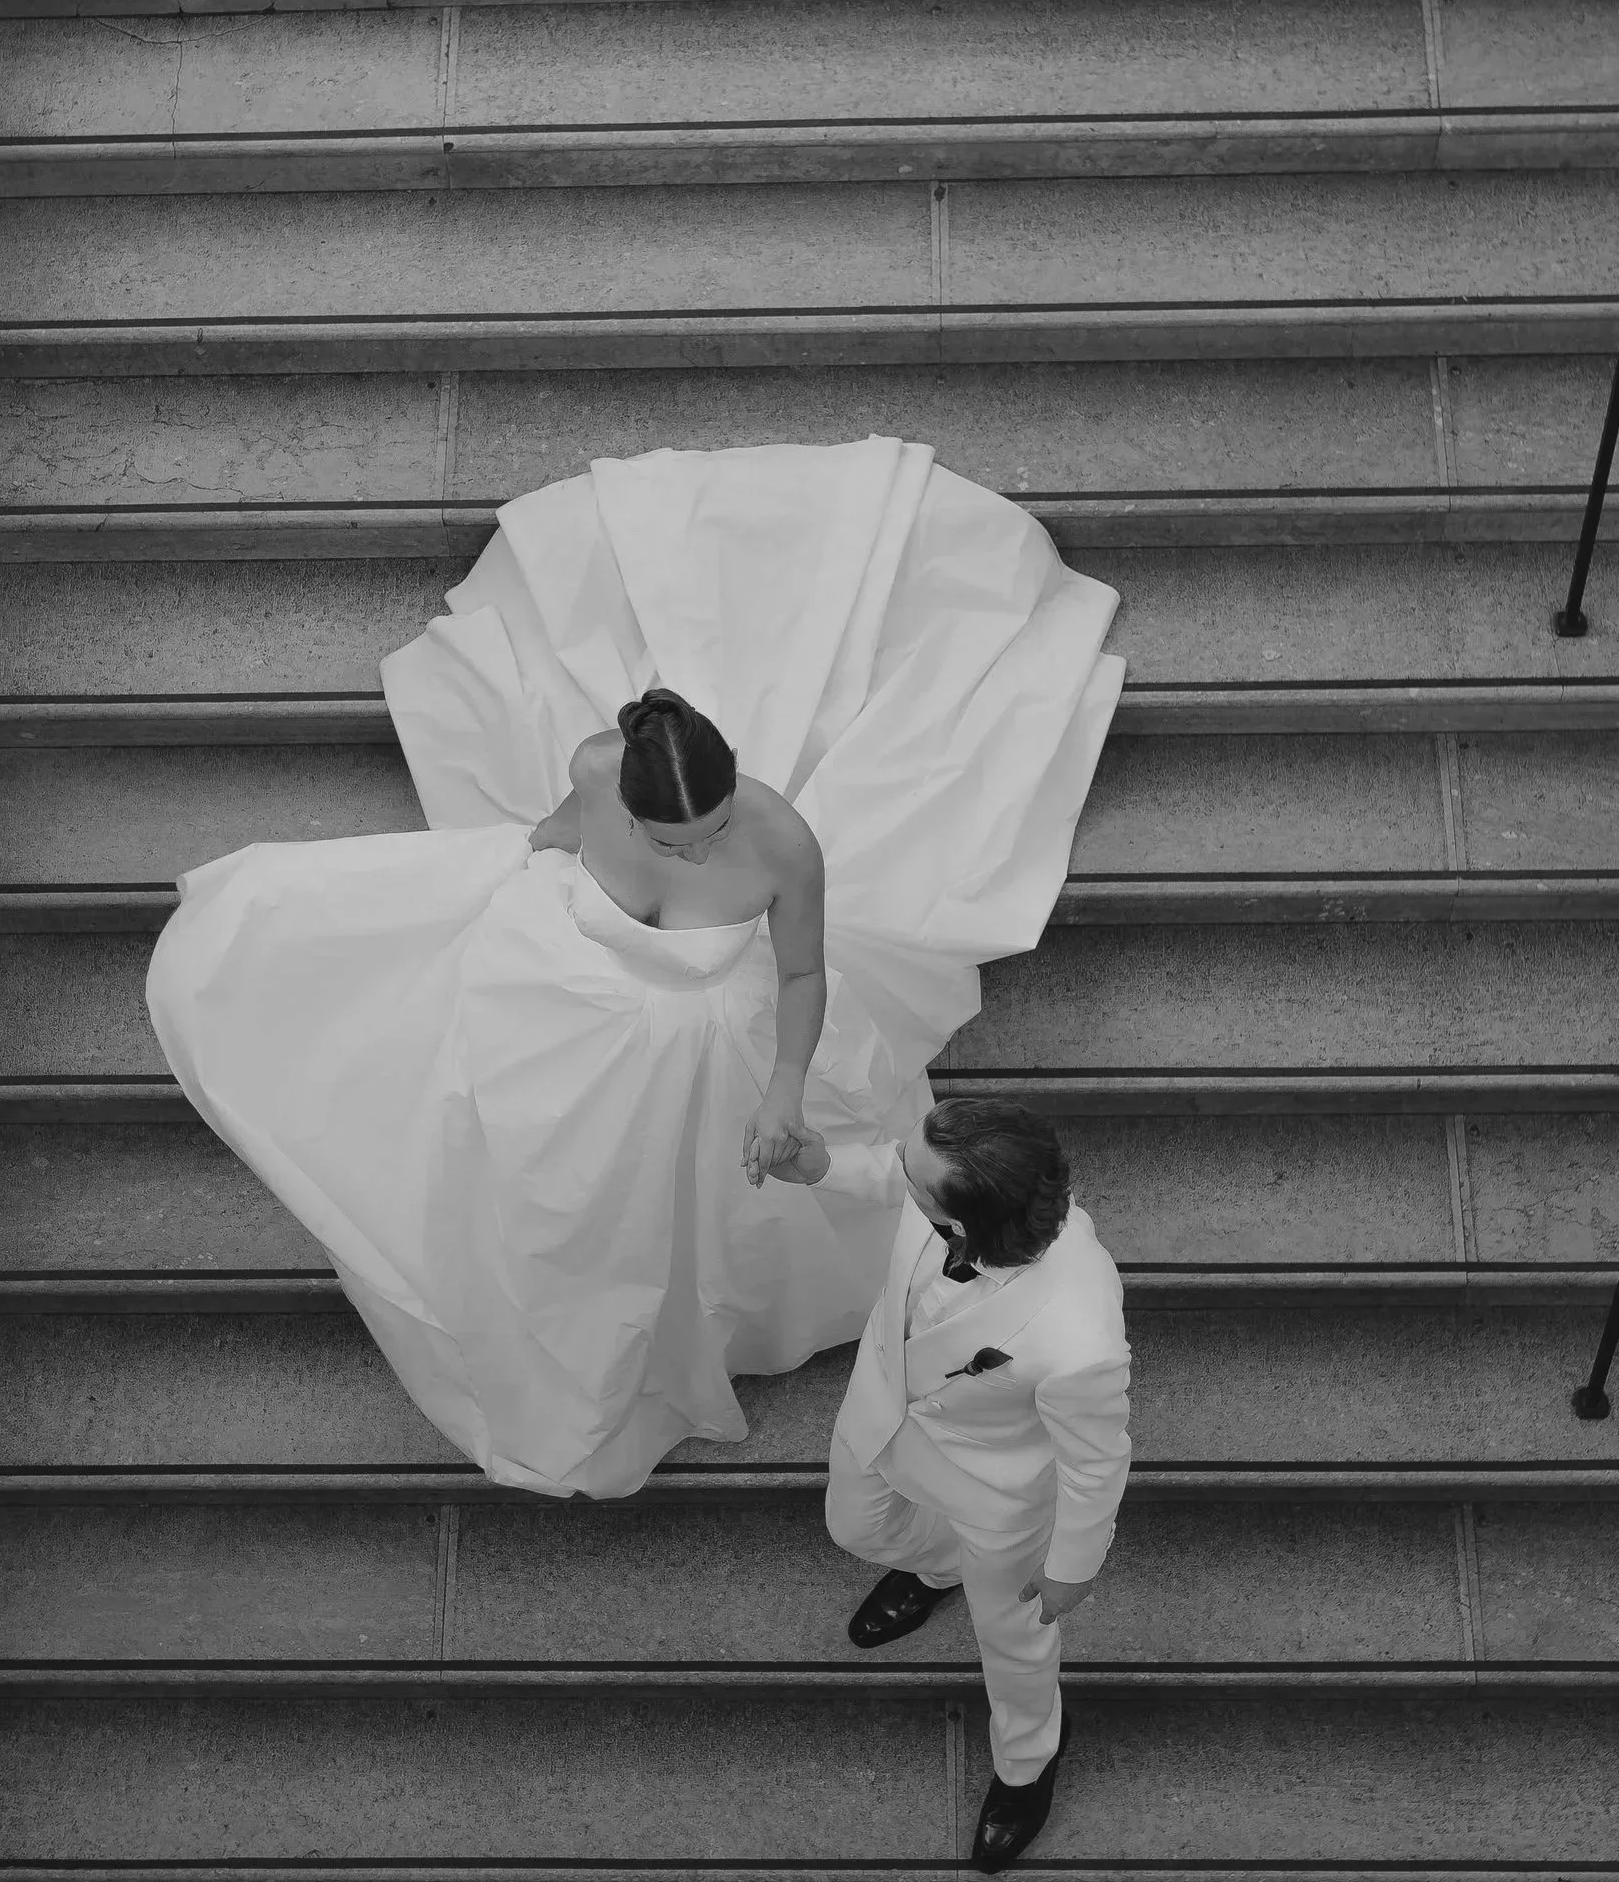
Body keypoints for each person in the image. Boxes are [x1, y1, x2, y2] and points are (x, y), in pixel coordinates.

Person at [147, 437, 1122, 1502]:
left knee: (697, 1217)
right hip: (571, 992)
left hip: (718, 1031)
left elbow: (802, 976)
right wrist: (483, 885)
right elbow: (557, 831)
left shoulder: (784, 844)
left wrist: (784, 1090)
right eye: (672, 842)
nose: (698, 857)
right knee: (540, 1180)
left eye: (714, 831)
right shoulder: (596, 767)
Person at [778, 1096, 1130, 1870]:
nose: (898, 1167)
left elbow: (1097, 1461)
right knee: (856, 1527)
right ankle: (940, 1569)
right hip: (883, 1412)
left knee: (1013, 1635)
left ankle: (1028, 1761)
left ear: (961, 1224)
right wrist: (818, 1165)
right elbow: (894, 1172)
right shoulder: (957, 1189)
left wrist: (1074, 1567)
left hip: (998, 1489)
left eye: (913, 1172)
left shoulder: (1081, 1338)